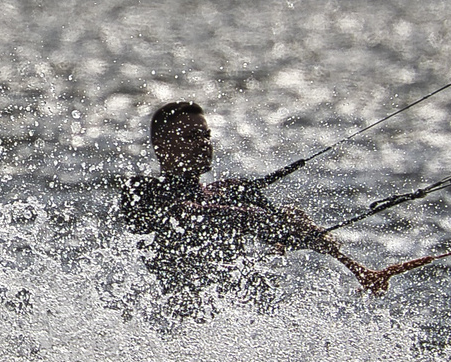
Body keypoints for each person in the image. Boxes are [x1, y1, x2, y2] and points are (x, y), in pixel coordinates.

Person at [114, 102, 390, 314]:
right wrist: (254, 217)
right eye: (191, 136)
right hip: (175, 317)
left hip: (236, 316)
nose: (203, 143)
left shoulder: (230, 190)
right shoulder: (141, 191)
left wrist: (331, 248)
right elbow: (185, 214)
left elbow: (283, 229)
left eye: (206, 136)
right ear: (161, 146)